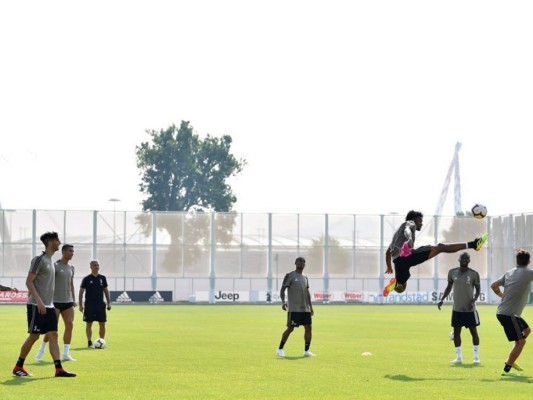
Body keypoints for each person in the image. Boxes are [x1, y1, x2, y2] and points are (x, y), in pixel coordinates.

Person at [12, 231, 76, 378]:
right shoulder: (39, 259)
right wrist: (39, 301)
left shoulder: (50, 260)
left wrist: (48, 303)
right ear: (50, 241)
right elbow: (29, 281)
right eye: (57, 240)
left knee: (53, 335)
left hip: (49, 306)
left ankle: (59, 369)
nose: (59, 242)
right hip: (36, 305)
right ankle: (18, 366)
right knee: (34, 336)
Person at [383, 210, 488, 296]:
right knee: (440, 247)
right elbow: (407, 230)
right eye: (420, 221)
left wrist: (389, 267)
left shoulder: (395, 236)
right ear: (414, 219)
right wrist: (409, 240)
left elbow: (388, 253)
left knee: (401, 287)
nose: (421, 223)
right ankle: (473, 244)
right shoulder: (409, 223)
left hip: (397, 261)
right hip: (407, 255)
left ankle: (394, 284)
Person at [490, 248, 533, 376]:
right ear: (529, 261)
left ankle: (514, 353)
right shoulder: (529, 273)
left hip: (506, 313)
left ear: (517, 261)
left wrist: (502, 295)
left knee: (527, 331)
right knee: (521, 342)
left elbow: (494, 286)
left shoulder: (509, 273)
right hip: (509, 315)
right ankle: (508, 367)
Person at [35, 244, 77, 362]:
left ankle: (66, 354)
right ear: (63, 252)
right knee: (52, 329)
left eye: (73, 251)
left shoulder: (72, 267)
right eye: (70, 251)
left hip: (68, 302)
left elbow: (71, 284)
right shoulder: (55, 266)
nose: (72, 253)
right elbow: (48, 283)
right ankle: (41, 350)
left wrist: (73, 299)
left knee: (70, 325)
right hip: (55, 302)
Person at [437, 252, 481, 364]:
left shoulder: (474, 274)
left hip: (469, 309)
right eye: (462, 258)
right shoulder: (452, 272)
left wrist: (474, 300)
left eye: (466, 258)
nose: (464, 260)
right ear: (459, 259)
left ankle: (476, 357)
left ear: (469, 260)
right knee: (456, 333)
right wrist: (442, 299)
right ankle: (459, 358)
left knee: (474, 332)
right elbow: (448, 287)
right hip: (457, 309)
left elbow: (478, 290)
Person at [276, 257, 315, 357]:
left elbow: (307, 292)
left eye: (304, 262)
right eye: (300, 261)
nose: (302, 263)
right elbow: (282, 289)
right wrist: (283, 302)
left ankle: (306, 351)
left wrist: (310, 307)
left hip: (305, 309)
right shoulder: (290, 275)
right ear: (295, 263)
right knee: (290, 329)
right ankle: (280, 349)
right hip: (294, 308)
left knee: (308, 328)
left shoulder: (305, 277)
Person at [79, 260, 111, 348]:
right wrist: (81, 305)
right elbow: (81, 292)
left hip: (100, 305)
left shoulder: (103, 278)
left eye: (97, 265)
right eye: (94, 265)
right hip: (89, 305)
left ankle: (102, 341)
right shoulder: (86, 279)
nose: (96, 267)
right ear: (90, 267)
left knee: (102, 324)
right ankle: (89, 342)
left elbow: (106, 291)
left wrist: (109, 303)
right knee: (89, 324)